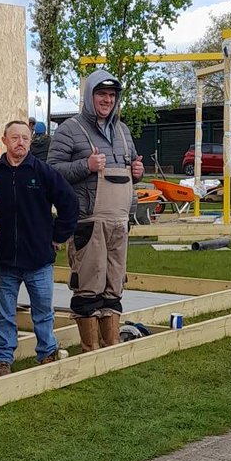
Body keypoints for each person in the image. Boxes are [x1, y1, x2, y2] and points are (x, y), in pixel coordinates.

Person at [47, 69, 144, 350]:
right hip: (87, 222)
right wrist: (84, 166)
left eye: (112, 95)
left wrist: (137, 172)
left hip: (118, 223)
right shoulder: (69, 130)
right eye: (101, 94)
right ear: (90, 96)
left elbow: (130, 170)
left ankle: (111, 345)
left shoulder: (123, 131)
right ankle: (90, 350)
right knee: (89, 286)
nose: (107, 100)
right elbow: (51, 172)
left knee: (114, 286)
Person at [0, 120, 79, 376]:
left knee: (42, 311)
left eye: (25, 138)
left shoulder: (43, 172)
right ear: (4, 140)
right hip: (4, 260)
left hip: (39, 259)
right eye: (15, 137)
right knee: (4, 313)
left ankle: (47, 352)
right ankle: (3, 358)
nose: (20, 142)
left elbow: (69, 202)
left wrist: (58, 236)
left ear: (31, 141)